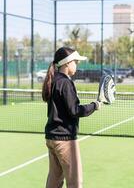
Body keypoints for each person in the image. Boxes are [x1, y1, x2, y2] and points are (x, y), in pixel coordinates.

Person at [42, 47, 101, 188]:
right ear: (67, 63)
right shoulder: (66, 83)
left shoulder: (54, 80)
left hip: (51, 138)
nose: (77, 64)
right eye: (75, 61)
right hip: (65, 140)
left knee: (54, 180)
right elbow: (74, 110)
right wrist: (94, 105)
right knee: (75, 182)